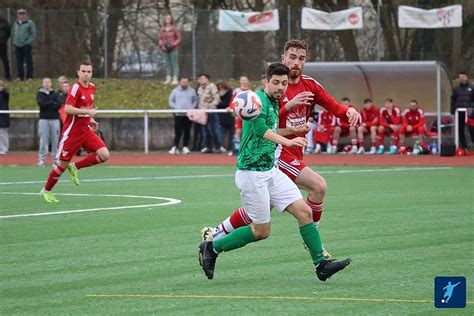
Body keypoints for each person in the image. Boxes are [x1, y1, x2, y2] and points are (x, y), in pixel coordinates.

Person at [201, 39, 361, 260]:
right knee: (318, 186)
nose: (296, 63)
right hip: (276, 154)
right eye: (292, 57)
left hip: (293, 152)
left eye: (301, 59)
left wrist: (348, 111)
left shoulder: (310, 85)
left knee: (260, 211)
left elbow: (332, 105)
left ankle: (215, 234)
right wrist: (290, 107)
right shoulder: (273, 87)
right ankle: (315, 245)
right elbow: (266, 123)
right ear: (284, 57)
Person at [40, 61, 110, 202]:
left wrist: (90, 119)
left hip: (85, 130)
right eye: (83, 71)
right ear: (78, 72)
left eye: (89, 71)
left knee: (104, 154)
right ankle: (46, 190)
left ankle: (75, 167)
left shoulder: (92, 88)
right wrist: (88, 112)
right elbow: (68, 109)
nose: (86, 74)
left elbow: (85, 107)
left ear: (92, 73)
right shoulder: (75, 88)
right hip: (72, 132)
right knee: (62, 164)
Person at [168, 76, 198, 155]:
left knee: (187, 131)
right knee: (178, 131)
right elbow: (171, 101)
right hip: (178, 114)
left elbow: (195, 101)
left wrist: (191, 107)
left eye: (186, 82)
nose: (184, 83)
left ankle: (185, 146)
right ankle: (175, 146)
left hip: (188, 115)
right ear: (180, 82)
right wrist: (176, 107)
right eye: (183, 82)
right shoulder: (175, 91)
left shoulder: (192, 91)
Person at [197, 73, 226, 154]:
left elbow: (216, 98)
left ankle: (218, 147)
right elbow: (200, 100)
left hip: (211, 111)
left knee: (215, 129)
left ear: (207, 79)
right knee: (205, 131)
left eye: (203, 78)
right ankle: (208, 147)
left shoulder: (212, 86)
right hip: (203, 113)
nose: (202, 80)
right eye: (200, 79)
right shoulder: (199, 89)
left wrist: (211, 107)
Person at [37, 77, 60, 167]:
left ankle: (55, 160)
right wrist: (52, 103)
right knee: (43, 140)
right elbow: (41, 104)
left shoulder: (55, 93)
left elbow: (58, 104)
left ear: (51, 83)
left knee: (55, 140)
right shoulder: (40, 94)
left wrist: (49, 104)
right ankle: (41, 159)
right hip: (44, 120)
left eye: (48, 82)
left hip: (55, 119)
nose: (47, 84)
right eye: (45, 82)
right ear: (43, 84)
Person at [450, 72, 474, 151]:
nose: (462, 78)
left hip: (469, 113)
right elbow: (453, 100)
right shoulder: (456, 89)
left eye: (463, 77)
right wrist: (452, 111)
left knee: (471, 129)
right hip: (459, 112)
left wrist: (471, 108)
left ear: (467, 77)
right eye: (460, 77)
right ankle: (464, 147)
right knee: (460, 129)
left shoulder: (472, 87)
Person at [11, 9, 36, 81]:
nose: (21, 15)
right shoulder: (16, 23)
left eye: (23, 14)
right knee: (19, 61)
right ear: (18, 15)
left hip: (26, 45)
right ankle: (20, 76)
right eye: (20, 14)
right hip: (17, 45)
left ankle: (29, 76)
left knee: (28, 61)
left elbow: (33, 33)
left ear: (25, 14)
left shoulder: (30, 23)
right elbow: (13, 33)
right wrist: (14, 41)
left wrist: (29, 41)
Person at [159, 14, 181, 85]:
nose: (168, 19)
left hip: (173, 49)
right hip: (165, 49)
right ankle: (168, 78)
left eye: (169, 18)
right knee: (167, 64)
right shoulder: (162, 29)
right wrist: (161, 46)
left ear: (171, 20)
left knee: (174, 64)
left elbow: (179, 38)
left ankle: (175, 79)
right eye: (166, 18)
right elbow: (160, 39)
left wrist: (173, 44)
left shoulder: (175, 28)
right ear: (164, 19)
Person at [216, 80, 234, 151]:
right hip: (220, 115)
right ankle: (222, 146)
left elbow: (228, 102)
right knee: (221, 131)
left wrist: (220, 103)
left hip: (229, 115)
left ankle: (230, 147)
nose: (220, 87)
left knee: (231, 132)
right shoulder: (217, 92)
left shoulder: (229, 91)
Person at [0, 16, 11, 81]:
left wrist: (4, 39)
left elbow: (8, 32)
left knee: (4, 59)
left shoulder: (3, 21)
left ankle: (8, 76)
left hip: (2, 44)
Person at [0, 80, 9, 154]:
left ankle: (4, 148)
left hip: (3, 116)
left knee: (3, 133)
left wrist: (1, 90)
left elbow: (7, 94)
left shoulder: (5, 93)